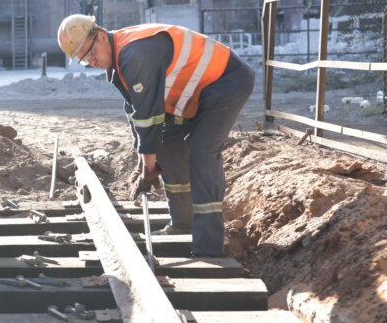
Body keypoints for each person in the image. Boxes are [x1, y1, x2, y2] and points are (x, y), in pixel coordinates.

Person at [57, 14, 255, 257]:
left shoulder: (135, 54)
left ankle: (209, 247)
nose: (92, 61)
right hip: (191, 93)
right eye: (85, 60)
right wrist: (144, 159)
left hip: (225, 81)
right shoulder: (117, 63)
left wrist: (148, 164)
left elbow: (149, 115)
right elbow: (137, 112)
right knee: (167, 148)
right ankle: (183, 222)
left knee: (201, 154)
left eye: (91, 53)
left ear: (100, 37)